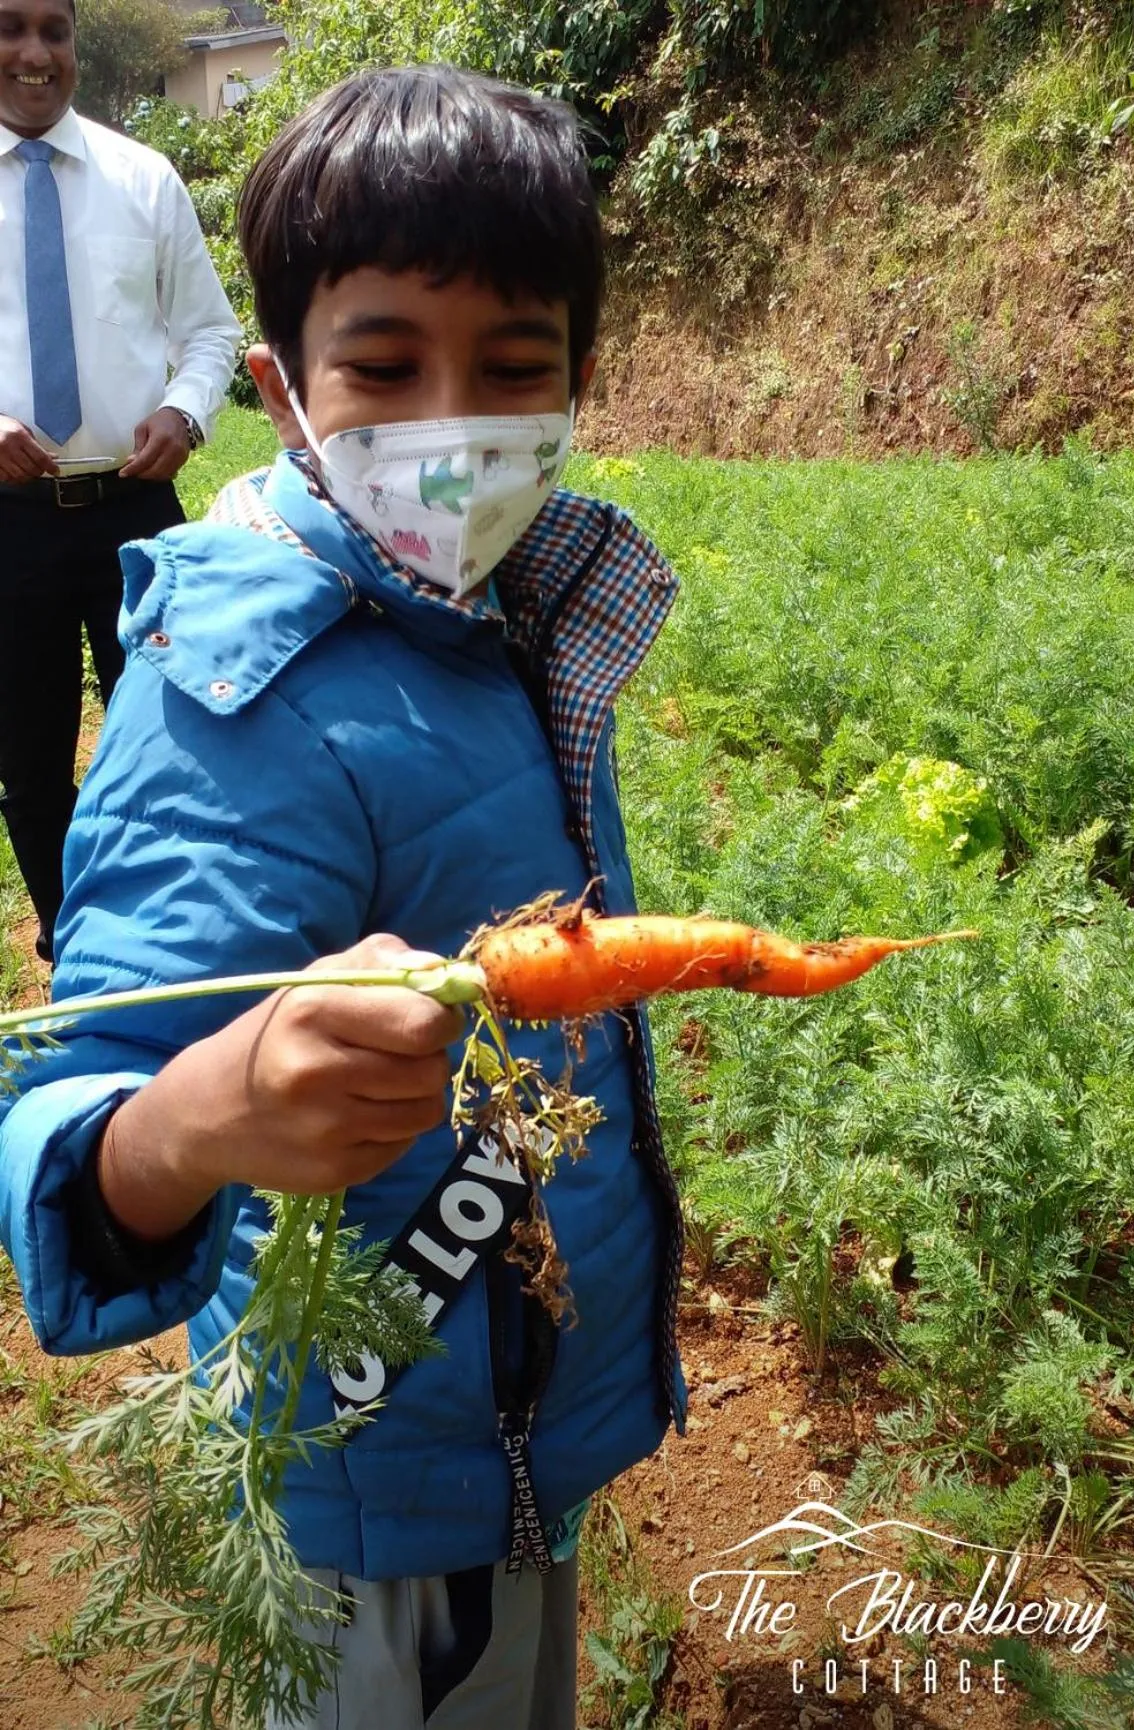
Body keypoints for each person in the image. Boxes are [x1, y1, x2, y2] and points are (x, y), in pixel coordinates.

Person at [0, 65, 686, 1729]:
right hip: (368, 1458)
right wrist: (209, 1108)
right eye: (382, 369)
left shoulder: (519, 614)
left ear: (580, 380)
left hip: (508, 1412)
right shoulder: (239, 695)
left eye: (511, 371)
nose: (451, 430)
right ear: (280, 390)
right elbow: (69, 1118)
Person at [0, 0, 242, 961]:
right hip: (8, 525)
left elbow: (211, 331)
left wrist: (184, 412)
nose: (33, 53)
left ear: (74, 45)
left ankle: (173, 937)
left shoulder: (143, 179)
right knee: (27, 756)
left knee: (179, 740)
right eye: (9, 28)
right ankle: (76, 951)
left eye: (52, 31)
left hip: (137, 509)